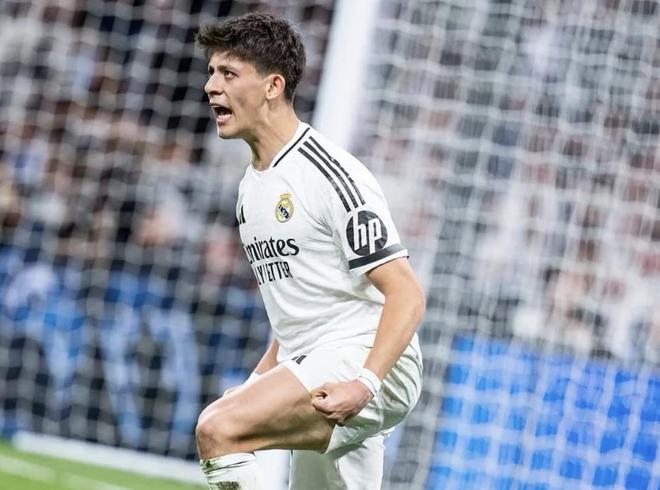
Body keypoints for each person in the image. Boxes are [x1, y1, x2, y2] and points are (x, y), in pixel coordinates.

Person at [194, 12, 424, 490]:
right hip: (315, 361)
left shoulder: (329, 175)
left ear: (273, 86)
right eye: (212, 72)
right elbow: (297, 314)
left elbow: (406, 293)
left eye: (228, 73)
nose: (211, 86)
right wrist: (258, 381)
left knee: (218, 429)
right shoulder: (251, 188)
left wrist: (365, 383)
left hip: (369, 360)